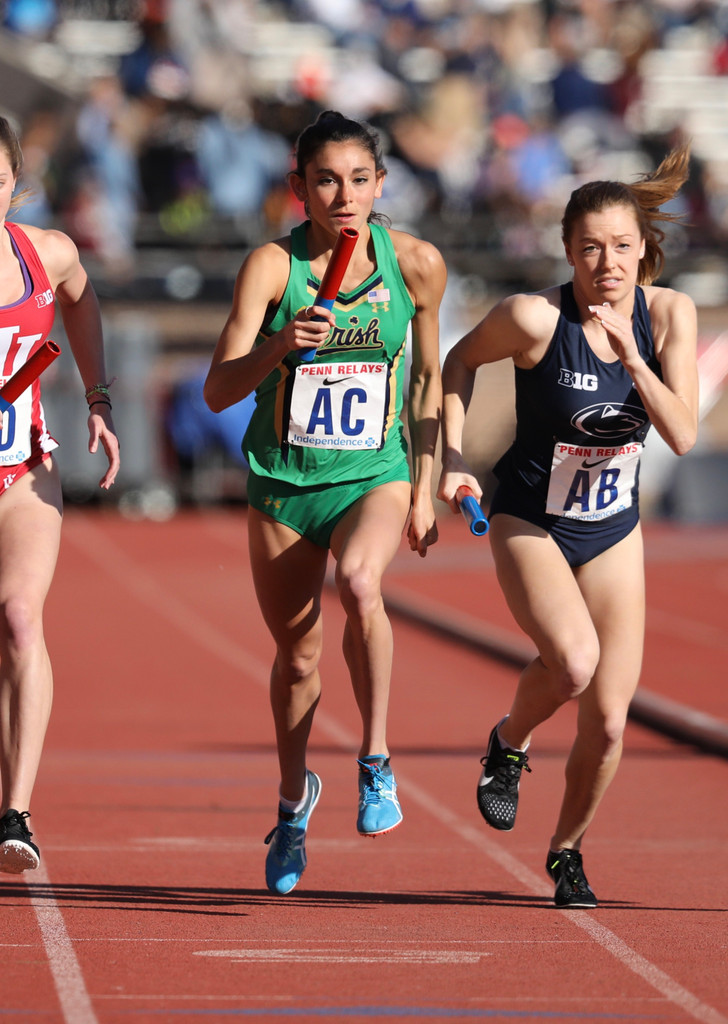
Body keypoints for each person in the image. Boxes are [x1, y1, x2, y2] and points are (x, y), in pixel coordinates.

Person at [438, 143, 698, 908]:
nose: (606, 264)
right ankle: (509, 742)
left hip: (614, 528)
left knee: (611, 722)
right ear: (567, 252)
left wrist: (634, 359)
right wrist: (452, 459)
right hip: (532, 520)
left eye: (621, 247)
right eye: (590, 249)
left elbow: (681, 434)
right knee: (574, 663)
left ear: (645, 249)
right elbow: (457, 362)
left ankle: (567, 852)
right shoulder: (532, 317)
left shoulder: (671, 315)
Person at [204, 110, 445, 895]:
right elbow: (216, 391)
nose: (345, 195)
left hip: (373, 470)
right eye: (327, 180)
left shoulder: (414, 265)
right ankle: (293, 799)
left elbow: (427, 380)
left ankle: (375, 761)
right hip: (283, 483)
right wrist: (281, 345)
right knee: (299, 656)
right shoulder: (272, 269)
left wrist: (430, 483)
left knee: (365, 586)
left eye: (360, 179)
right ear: (299, 189)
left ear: (382, 183)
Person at [0, 116, 120, 873]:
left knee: (17, 617)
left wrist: (97, 396)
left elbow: (79, 301)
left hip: (22, 473)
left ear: (16, 177)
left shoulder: (47, 252)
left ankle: (15, 811)